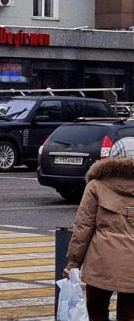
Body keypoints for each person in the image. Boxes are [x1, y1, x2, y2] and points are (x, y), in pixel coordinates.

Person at [65, 136, 134, 321]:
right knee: (129, 314)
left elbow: (83, 228)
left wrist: (73, 264)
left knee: (96, 311)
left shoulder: (96, 185)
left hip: (101, 263)